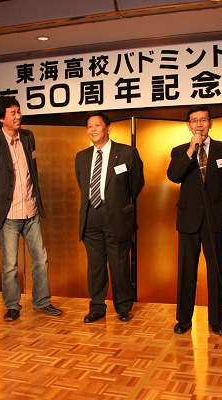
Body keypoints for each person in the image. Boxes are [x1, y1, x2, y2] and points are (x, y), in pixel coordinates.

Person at [0, 95, 61, 321]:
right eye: (12, 113)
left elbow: (31, 170)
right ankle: (12, 305)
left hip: (31, 211)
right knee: (10, 265)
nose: (18, 116)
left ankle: (42, 301)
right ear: (1, 118)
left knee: (41, 259)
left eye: (18, 111)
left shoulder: (27, 137)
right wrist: (1, 200)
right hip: (9, 215)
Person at [167, 105, 222, 335]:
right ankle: (184, 320)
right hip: (189, 220)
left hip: (216, 219)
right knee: (186, 271)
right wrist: (191, 150)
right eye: (194, 121)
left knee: (216, 271)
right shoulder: (180, 151)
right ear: (188, 125)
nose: (199, 124)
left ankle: (216, 320)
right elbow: (174, 176)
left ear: (211, 123)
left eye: (203, 120)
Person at [75, 111, 145, 323]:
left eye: (97, 125)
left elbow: (137, 184)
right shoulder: (82, 157)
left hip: (117, 216)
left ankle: (123, 307)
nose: (93, 130)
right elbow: (83, 185)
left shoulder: (127, 153)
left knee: (119, 264)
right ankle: (97, 307)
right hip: (91, 216)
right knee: (95, 267)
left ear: (108, 128)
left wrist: (120, 204)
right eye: (89, 126)